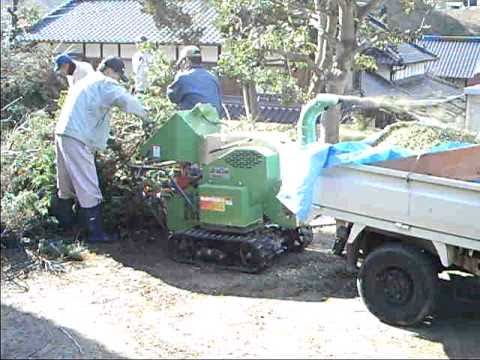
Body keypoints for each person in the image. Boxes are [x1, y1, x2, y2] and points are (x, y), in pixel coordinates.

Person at [52, 56, 147, 242]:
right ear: (111, 71)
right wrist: (147, 116)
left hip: (63, 132)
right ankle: (95, 234)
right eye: (119, 75)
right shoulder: (105, 82)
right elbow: (126, 101)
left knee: (65, 185)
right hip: (78, 136)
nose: (118, 80)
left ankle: (67, 228)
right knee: (88, 184)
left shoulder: (86, 80)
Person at [166, 45, 225, 117]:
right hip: (213, 121)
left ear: (186, 61)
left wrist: (177, 76)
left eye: (181, 63)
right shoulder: (213, 77)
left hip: (193, 122)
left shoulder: (183, 77)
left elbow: (172, 97)